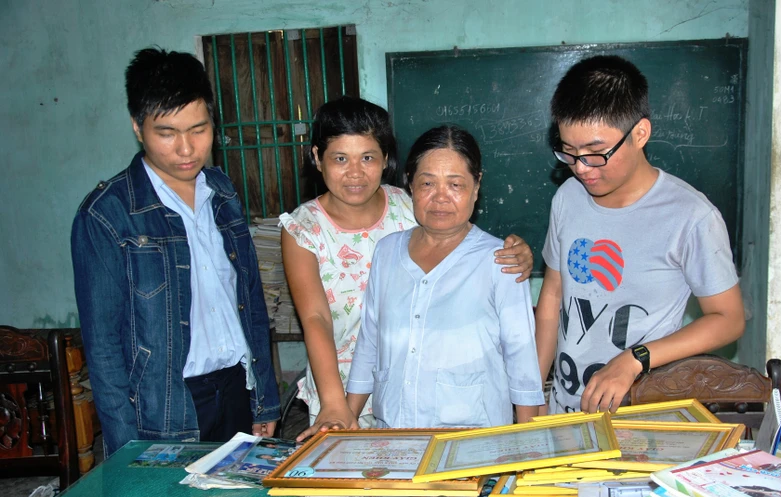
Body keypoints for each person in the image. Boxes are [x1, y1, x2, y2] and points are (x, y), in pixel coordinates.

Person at [280, 98, 534, 438]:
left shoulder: (410, 205)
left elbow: (468, 246)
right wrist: (336, 402)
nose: (355, 172)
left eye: (368, 157)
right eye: (340, 158)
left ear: (386, 160)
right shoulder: (305, 229)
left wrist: (520, 252)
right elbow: (317, 318)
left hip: (441, 397)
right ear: (317, 158)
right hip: (340, 389)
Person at [71, 48, 280, 456]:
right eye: (167, 133)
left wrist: (264, 396)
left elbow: (249, 300)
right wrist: (124, 447)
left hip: (235, 386)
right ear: (137, 127)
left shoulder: (222, 192)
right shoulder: (108, 214)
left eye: (199, 130)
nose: (186, 149)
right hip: (166, 407)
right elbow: (103, 346)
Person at [534, 55, 745, 415]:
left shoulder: (691, 216)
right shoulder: (567, 198)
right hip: (565, 413)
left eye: (597, 153)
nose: (581, 168)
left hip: (641, 415)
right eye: (569, 152)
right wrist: (533, 393)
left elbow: (728, 319)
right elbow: (552, 296)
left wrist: (634, 359)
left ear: (640, 134)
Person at [345, 125, 545, 428]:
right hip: (394, 436)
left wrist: (528, 444)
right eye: (427, 183)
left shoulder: (501, 261)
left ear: (476, 187)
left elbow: (522, 360)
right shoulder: (387, 253)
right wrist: (347, 419)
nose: (440, 198)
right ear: (410, 184)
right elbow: (369, 343)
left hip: (472, 442)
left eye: (455, 185)